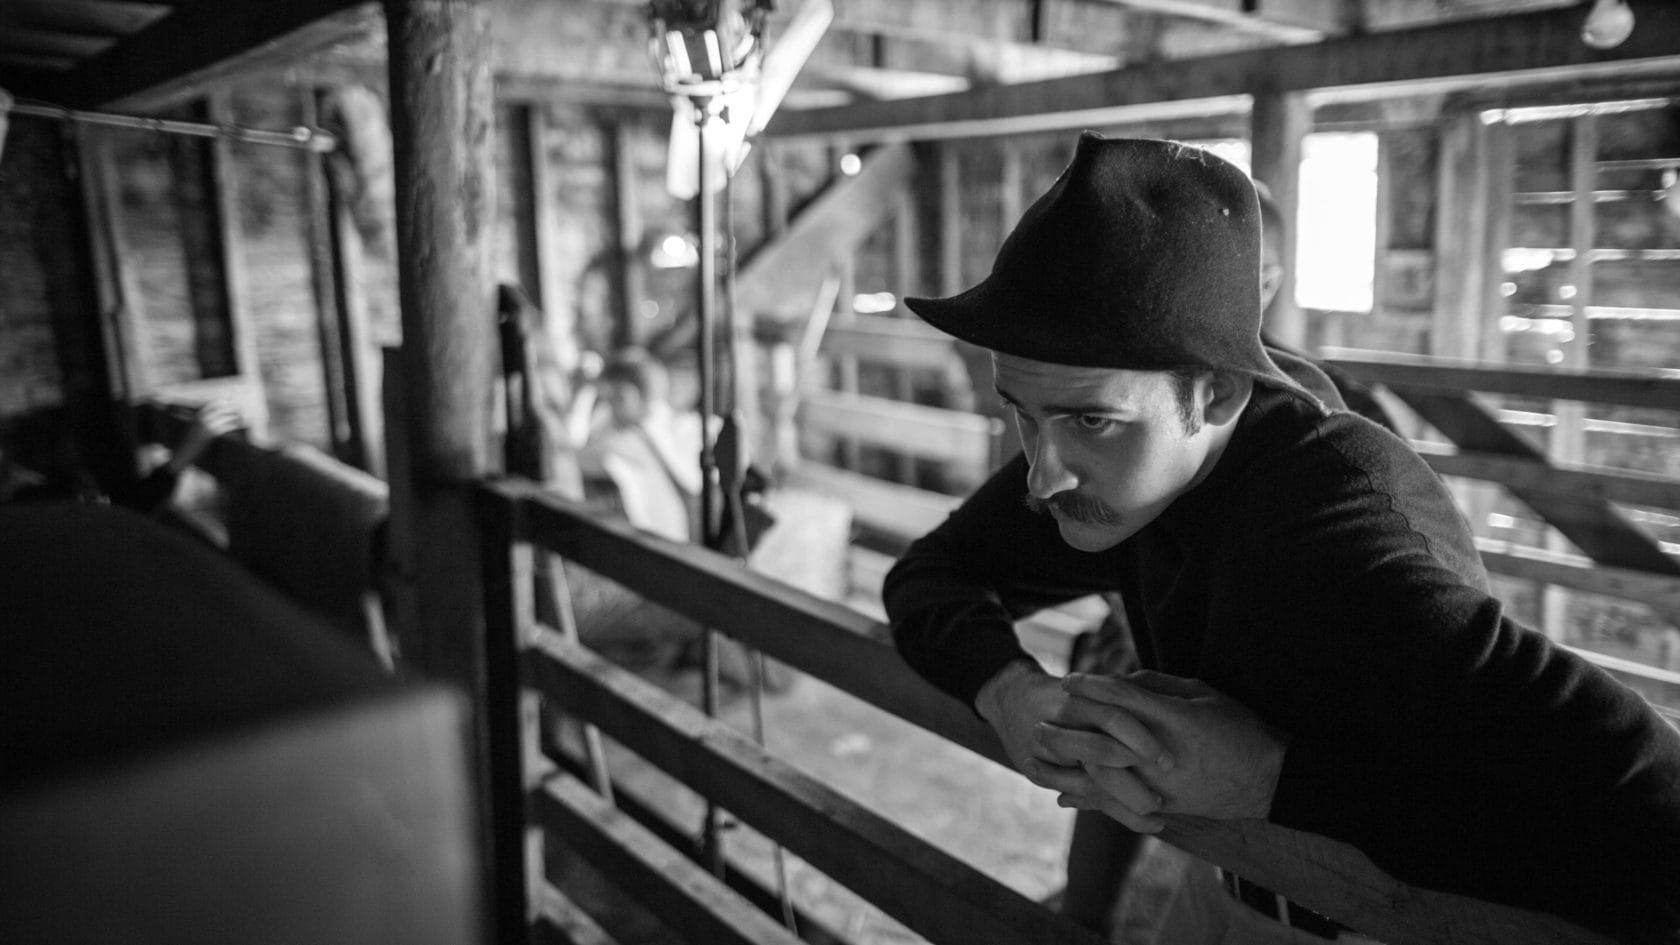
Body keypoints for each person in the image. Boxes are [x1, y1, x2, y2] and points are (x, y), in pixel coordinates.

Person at [882, 133, 1680, 944]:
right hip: (1225, 884)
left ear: (1218, 395)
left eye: (1091, 418)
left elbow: (1659, 819)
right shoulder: (1133, 469)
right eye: (1020, 410)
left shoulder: (1347, 552)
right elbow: (932, 572)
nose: (1042, 475)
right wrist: (1008, 690)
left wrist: (1275, 779)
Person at [1055, 173, 1401, 936]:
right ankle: (1087, 913)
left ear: (1267, 281)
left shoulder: (1335, 421)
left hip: (1279, 669)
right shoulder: (1135, 385)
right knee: (1121, 705)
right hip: (1162, 627)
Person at [1, 400, 242, 512]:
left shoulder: (36, 494)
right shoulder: (34, 506)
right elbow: (127, 508)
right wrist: (186, 452)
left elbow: (125, 504)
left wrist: (185, 453)